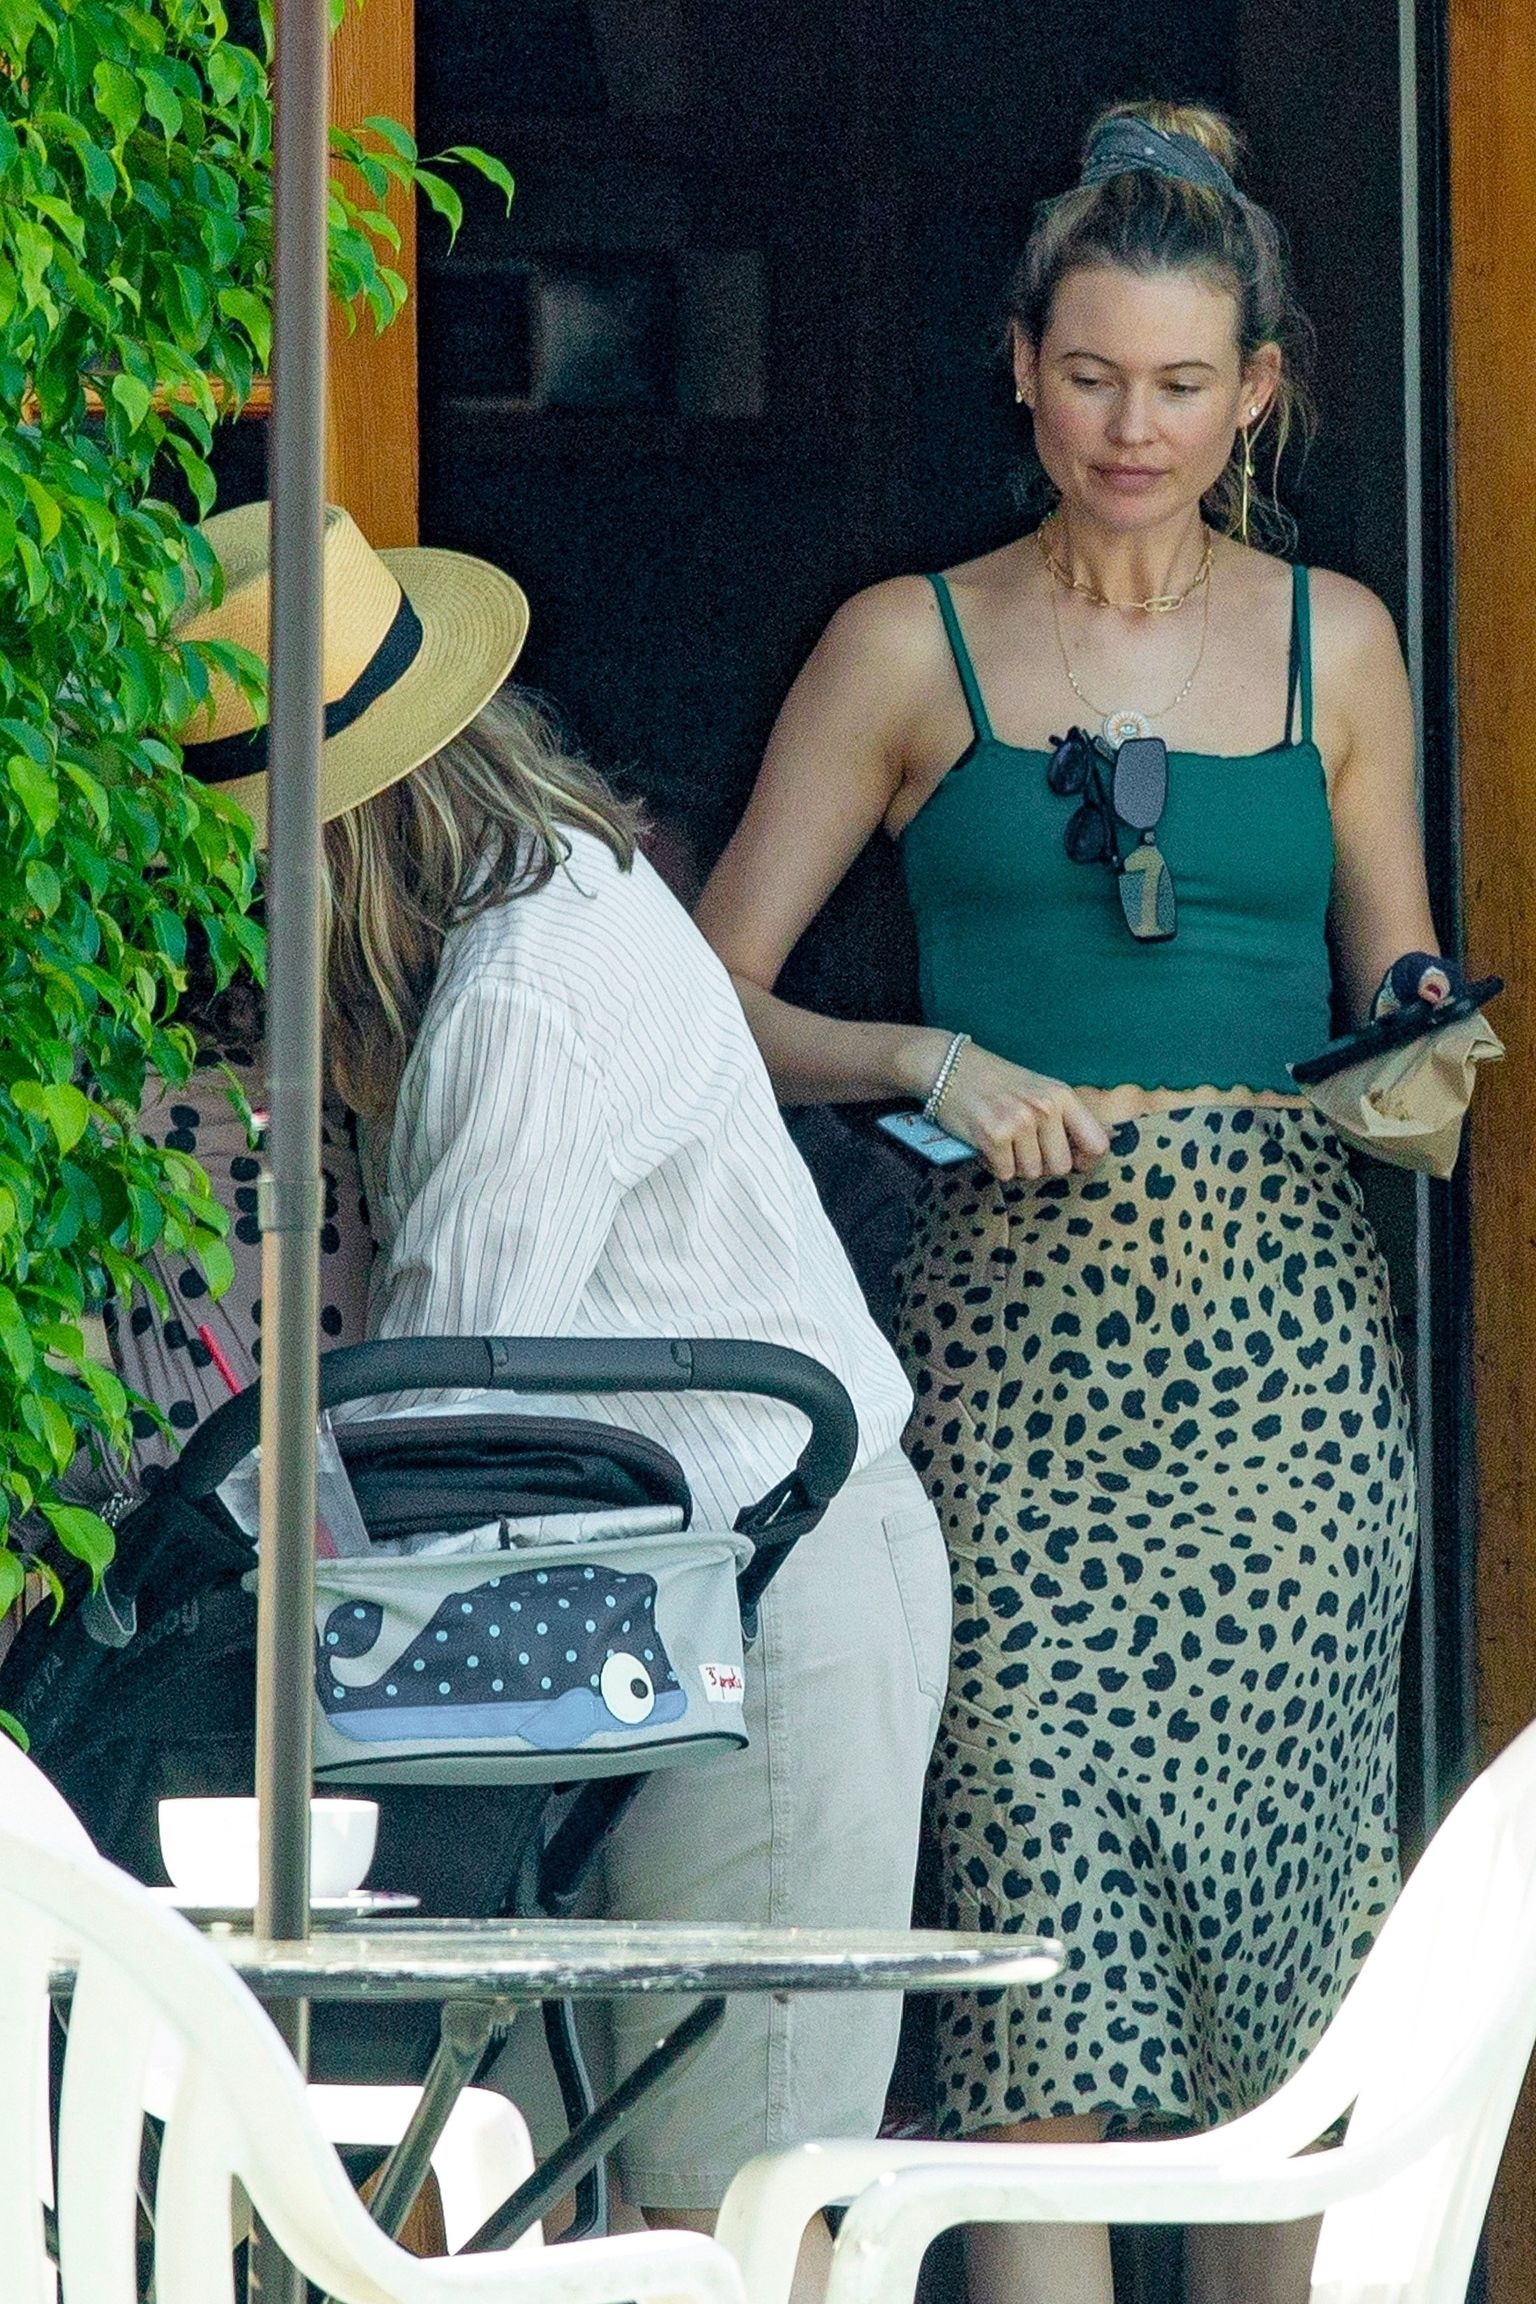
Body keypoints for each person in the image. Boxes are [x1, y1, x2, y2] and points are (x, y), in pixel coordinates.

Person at [694, 99, 1448, 2304]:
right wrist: (922, 1058)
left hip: (1291, 1378)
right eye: (1095, 375)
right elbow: (707, 999)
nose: (1137, 429)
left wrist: (1420, 1031)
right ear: (1020, 366)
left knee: (1284, 1989)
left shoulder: (1339, 645)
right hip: (1013, 1384)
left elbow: (1395, 967)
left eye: (1185, 384)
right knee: (1038, 1968)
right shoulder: (904, 644)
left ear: (1260, 392)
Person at [170, 498, 951, 2282]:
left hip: (769, 1604)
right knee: (575, 2193)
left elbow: (446, 1409)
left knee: (736, 2208)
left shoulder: (527, 991)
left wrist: (220, 1543)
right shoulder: (545, 896)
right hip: (644, 1612)